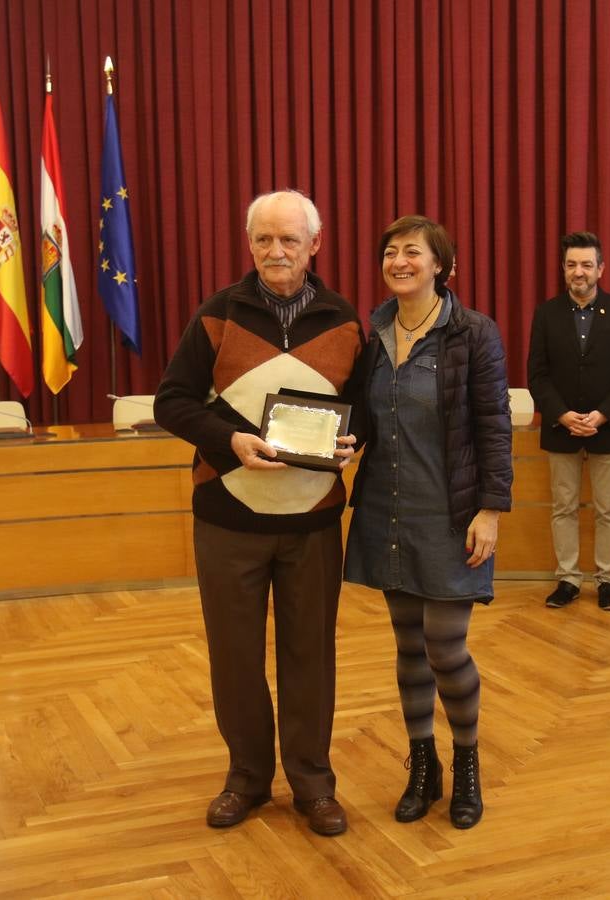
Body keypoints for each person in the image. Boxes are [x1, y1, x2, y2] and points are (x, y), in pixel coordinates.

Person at [153, 190, 363, 836]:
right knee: (235, 656)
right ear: (250, 245)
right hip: (227, 519)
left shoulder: (347, 323)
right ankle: (247, 777)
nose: (276, 252)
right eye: (264, 240)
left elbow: (366, 413)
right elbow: (172, 403)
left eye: (289, 241)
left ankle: (312, 784)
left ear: (314, 246)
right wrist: (229, 441)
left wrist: (357, 444)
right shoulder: (217, 314)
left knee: (311, 656)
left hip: (312, 524)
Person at [345, 215, 512, 830]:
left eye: (412, 252)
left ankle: (466, 767)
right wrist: (340, 441)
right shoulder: (376, 330)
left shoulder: (473, 333)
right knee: (409, 649)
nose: (399, 261)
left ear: (441, 264)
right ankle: (423, 767)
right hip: (389, 510)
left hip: (452, 515)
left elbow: (494, 426)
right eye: (390, 252)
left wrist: (491, 510)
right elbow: (367, 415)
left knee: (446, 649)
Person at [526, 231, 610, 611]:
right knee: (564, 508)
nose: (579, 272)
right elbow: (537, 374)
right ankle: (568, 579)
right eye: (572, 264)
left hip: (608, 427)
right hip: (562, 427)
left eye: (587, 265)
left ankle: (608, 580)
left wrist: (603, 413)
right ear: (564, 269)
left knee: (609, 509)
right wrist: (561, 414)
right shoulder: (546, 313)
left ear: (601, 269)